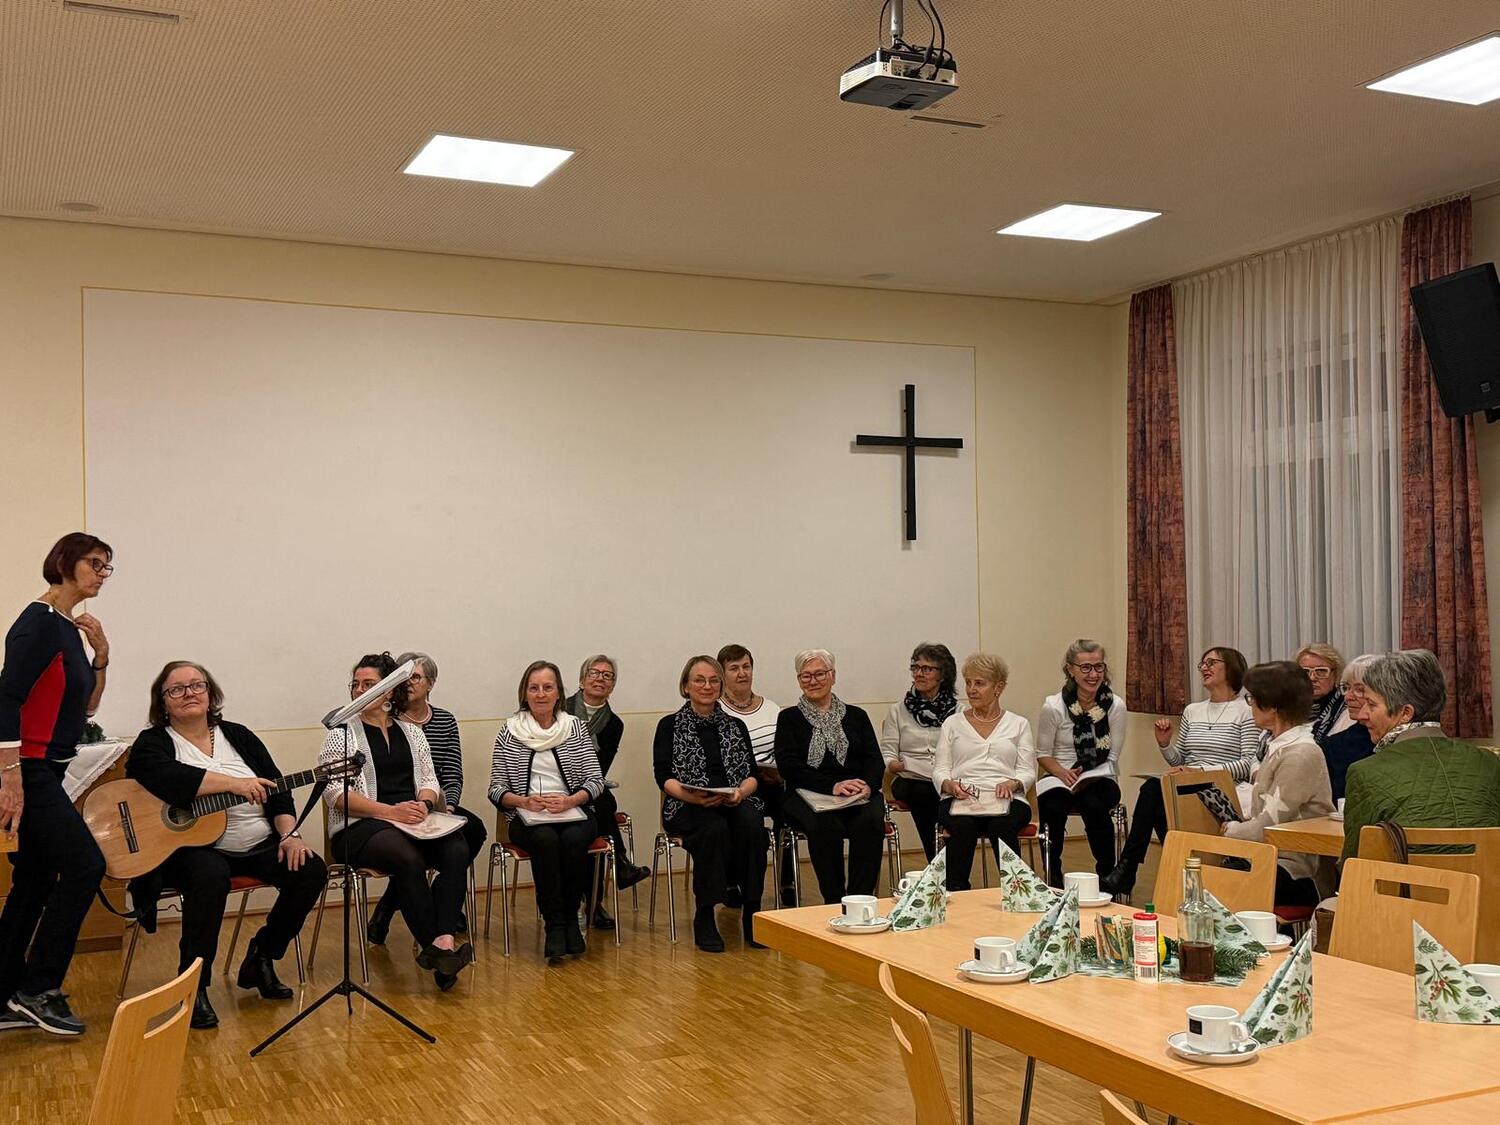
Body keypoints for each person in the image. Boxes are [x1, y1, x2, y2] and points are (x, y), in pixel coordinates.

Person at [127, 661, 328, 1029]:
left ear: (210, 693)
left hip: (257, 842)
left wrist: (289, 835)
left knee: (310, 869)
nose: (189, 693)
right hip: (191, 851)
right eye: (177, 689)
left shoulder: (239, 736)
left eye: (197, 685)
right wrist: (233, 784)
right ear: (163, 702)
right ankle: (193, 986)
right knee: (209, 875)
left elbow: (277, 789)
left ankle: (262, 955)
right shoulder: (152, 743)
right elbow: (167, 777)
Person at [0, 533, 112, 1036]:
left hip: (50, 769)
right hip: (29, 769)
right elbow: (6, 699)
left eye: (107, 567)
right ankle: (38, 988)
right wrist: (10, 778)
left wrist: (101, 655)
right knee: (86, 865)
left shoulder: (68, 627)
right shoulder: (39, 622)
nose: (102, 574)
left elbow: (87, 707)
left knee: (35, 880)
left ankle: (4, 994)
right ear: (65, 563)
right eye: (95, 563)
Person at [320, 652, 473, 990]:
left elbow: (430, 780)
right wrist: (390, 812)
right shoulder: (342, 734)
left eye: (369, 684)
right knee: (407, 856)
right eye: (355, 684)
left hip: (410, 821)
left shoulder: (411, 732)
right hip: (359, 828)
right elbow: (335, 795)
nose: (359, 690)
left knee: (457, 848)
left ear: (390, 689)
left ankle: (443, 941)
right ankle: (437, 950)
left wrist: (424, 804)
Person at [1102, 646, 1259, 897]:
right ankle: (1143, 869)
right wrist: (1165, 744)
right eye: (1202, 664)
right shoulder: (1192, 710)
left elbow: (1247, 764)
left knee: (1153, 792)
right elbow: (1180, 760)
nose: (1204, 668)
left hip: (1221, 790)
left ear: (1231, 668)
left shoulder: (1246, 711)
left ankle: (1129, 869)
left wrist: (1200, 770)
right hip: (1187, 785)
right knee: (1153, 789)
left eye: (1211, 663)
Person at [363, 651, 488, 945]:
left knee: (473, 830)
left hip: (438, 803)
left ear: (430, 683)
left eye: (416, 677)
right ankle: (436, 906)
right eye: (403, 678)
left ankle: (433, 899)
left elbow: (453, 772)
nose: (409, 683)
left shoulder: (445, 720)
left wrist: (449, 807)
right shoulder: (389, 720)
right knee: (416, 849)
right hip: (401, 805)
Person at [489, 660, 605, 965]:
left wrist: (570, 800)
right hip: (528, 816)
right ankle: (555, 924)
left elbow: (596, 781)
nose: (541, 694)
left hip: (573, 811)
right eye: (534, 688)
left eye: (547, 687)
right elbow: (496, 788)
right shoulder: (510, 731)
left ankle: (571, 919)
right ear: (524, 693)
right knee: (546, 840)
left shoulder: (575, 727)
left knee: (572, 840)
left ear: (558, 693)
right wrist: (522, 801)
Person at [1341, 649, 1500, 859]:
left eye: (1371, 705)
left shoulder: (1365, 772)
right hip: (1486, 880)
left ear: (1405, 713)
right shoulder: (1490, 763)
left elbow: (1354, 861)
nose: (1362, 715)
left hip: (1408, 881)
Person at [655, 655, 766, 952]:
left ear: (721, 685)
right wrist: (693, 797)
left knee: (752, 824)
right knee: (713, 829)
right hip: (687, 804)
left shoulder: (735, 725)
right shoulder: (669, 725)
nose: (707, 686)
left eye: (714, 680)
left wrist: (740, 793)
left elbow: (752, 775)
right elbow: (663, 777)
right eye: (699, 680)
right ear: (686, 686)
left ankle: (752, 910)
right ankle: (705, 913)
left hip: (732, 799)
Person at [773, 650, 886, 904]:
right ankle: (834, 900)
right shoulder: (788, 718)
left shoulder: (857, 716)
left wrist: (868, 786)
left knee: (870, 821)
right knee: (826, 826)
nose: (813, 681)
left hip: (856, 793)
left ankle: (859, 900)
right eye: (806, 676)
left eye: (820, 674)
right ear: (799, 680)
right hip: (806, 793)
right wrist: (832, 786)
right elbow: (789, 767)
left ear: (833, 676)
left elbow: (874, 761)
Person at [1224, 661, 1334, 905]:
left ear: (1272, 706)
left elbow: (1268, 825)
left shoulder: (1300, 755)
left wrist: (1230, 830)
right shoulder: (1278, 746)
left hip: (1299, 871)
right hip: (1269, 857)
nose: (1250, 705)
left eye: (1252, 698)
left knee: (1218, 882)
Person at [932, 652, 1035, 891]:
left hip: (1007, 798)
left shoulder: (1019, 724)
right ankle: (956, 893)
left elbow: (1027, 771)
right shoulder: (952, 723)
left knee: (1001, 825)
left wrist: (1013, 783)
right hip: (961, 798)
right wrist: (949, 785)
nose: (971, 690)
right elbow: (940, 770)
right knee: (963, 826)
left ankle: (1017, 892)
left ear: (998, 687)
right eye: (968, 683)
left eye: (979, 683)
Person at [565, 654, 650, 931]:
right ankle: (620, 865)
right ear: (581, 680)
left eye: (608, 676)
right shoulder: (560, 710)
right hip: (555, 786)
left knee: (597, 816)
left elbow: (599, 767)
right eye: (594, 673)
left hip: (589, 787)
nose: (600, 679)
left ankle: (593, 901)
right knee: (603, 805)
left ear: (612, 686)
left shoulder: (614, 724)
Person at [1035, 639, 1126, 887]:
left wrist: (1089, 776)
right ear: (1070, 670)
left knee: (1093, 803)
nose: (1093, 674)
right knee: (1052, 805)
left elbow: (1113, 757)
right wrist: (1063, 774)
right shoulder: (1053, 706)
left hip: (1100, 776)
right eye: (1086, 668)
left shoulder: (1115, 706)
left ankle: (1106, 876)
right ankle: (1053, 877)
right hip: (1060, 775)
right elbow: (1043, 754)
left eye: (1098, 667)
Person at [880, 643, 957, 863]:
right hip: (908, 778)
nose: (919, 673)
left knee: (950, 796)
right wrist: (894, 765)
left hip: (945, 779)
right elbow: (887, 753)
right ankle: (940, 864)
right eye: (915, 667)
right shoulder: (898, 710)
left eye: (926, 669)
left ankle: (950, 866)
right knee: (924, 793)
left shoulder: (958, 713)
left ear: (943, 674)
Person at [1321, 654, 1377, 803]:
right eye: (1346, 688)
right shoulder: (1333, 746)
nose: (1348, 697)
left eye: (1359, 690)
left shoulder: (1403, 739)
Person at [1296, 643, 1353, 750]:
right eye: (1305, 671)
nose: (1312, 678)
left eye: (1321, 671)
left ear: (1336, 674)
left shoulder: (1349, 710)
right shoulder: (1286, 708)